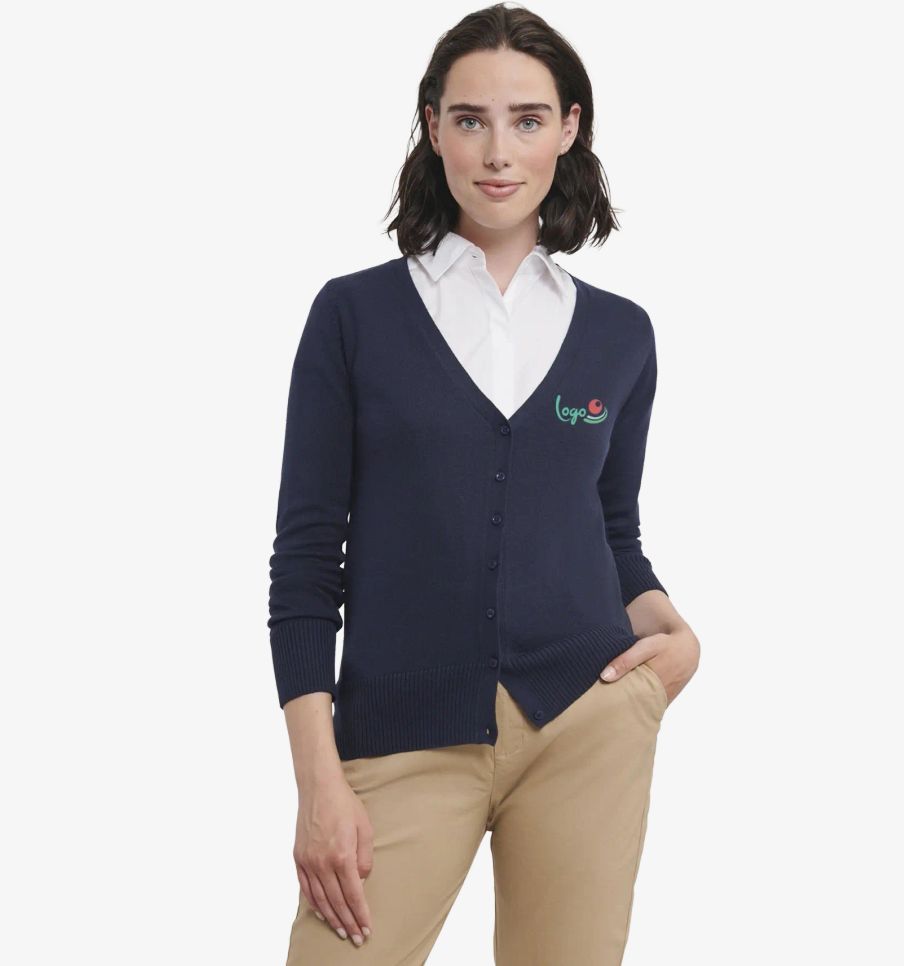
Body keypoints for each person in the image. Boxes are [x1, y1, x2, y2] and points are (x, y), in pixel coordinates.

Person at [267, 5, 700, 963]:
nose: (498, 152)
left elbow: (611, 530)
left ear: (569, 128)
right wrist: (318, 781)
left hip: (588, 725)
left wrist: (673, 637)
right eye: (470, 120)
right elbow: (305, 562)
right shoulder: (354, 316)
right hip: (399, 733)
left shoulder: (621, 334)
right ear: (434, 128)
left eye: (528, 120)